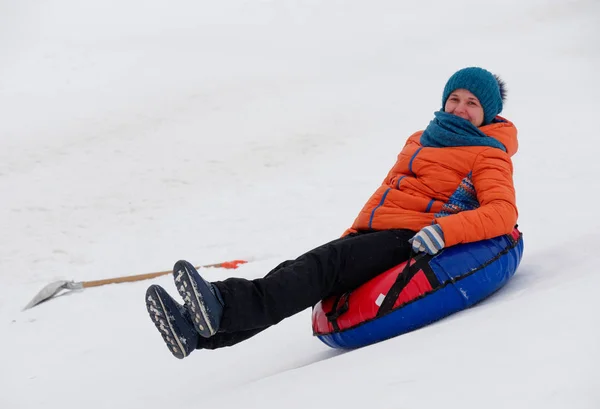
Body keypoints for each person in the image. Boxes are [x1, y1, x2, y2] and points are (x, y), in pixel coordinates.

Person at [145, 66, 519, 359]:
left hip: (413, 237)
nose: (460, 108)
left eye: (472, 102)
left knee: (317, 269)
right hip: (375, 232)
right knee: (296, 271)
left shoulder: (488, 153)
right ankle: (197, 334)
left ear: (487, 113)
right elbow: (387, 192)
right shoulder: (420, 138)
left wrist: (446, 232)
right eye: (455, 98)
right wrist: (354, 234)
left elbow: (502, 212)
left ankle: (221, 301)